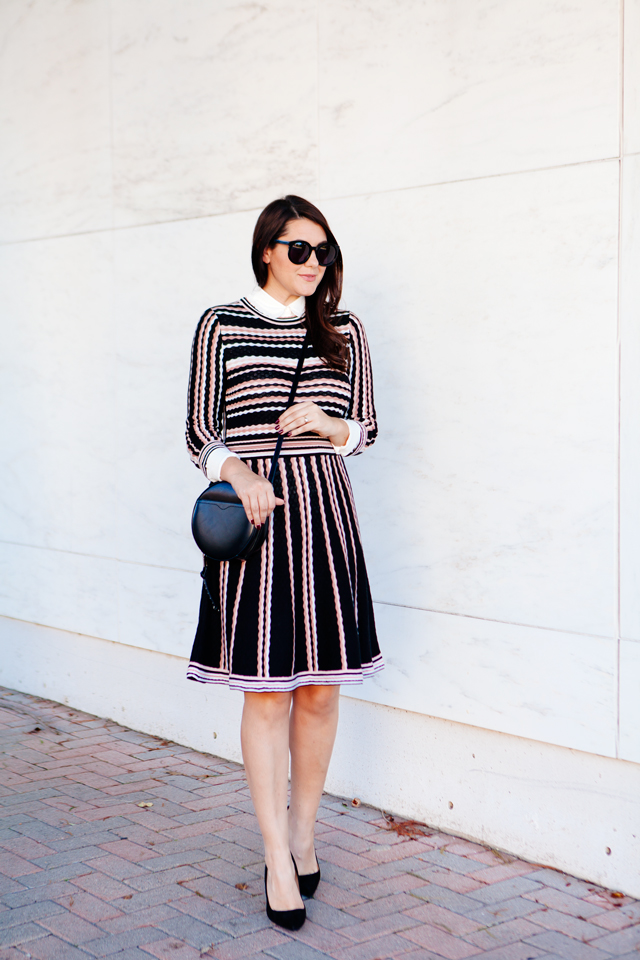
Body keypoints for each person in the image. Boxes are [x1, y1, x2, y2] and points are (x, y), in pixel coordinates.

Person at [185, 195, 383, 930]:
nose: (313, 264)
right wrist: (239, 475)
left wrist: (332, 424)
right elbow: (199, 428)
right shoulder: (222, 324)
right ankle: (275, 855)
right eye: (299, 249)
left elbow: (365, 428)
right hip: (261, 523)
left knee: (322, 692)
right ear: (267, 249)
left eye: (323, 251)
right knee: (267, 693)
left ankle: (305, 834)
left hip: (327, 517)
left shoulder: (345, 330)